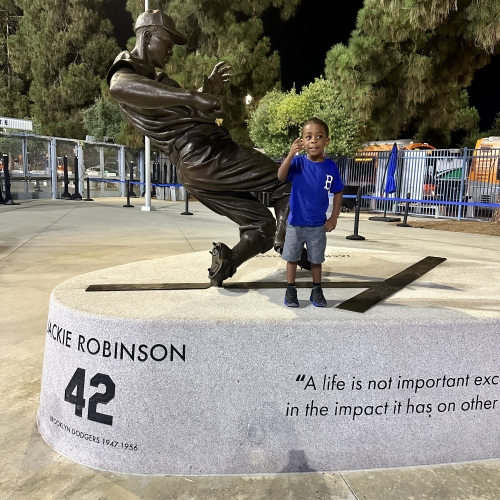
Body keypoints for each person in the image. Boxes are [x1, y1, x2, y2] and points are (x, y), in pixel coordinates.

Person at [107, 9, 294, 284]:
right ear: (146, 36)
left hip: (194, 168)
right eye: (167, 42)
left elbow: (185, 111)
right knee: (287, 179)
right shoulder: (127, 69)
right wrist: (194, 97)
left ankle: (228, 262)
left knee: (260, 224)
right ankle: (287, 238)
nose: (171, 50)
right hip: (207, 153)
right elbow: (118, 87)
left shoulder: (156, 81)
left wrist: (208, 91)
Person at [277, 118, 344, 307]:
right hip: (296, 222)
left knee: (316, 260)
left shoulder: (330, 167)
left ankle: (317, 290)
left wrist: (334, 217)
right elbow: (281, 176)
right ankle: (290, 290)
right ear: (302, 141)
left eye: (319, 136)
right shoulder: (298, 162)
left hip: (317, 225)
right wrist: (290, 154)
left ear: (327, 141)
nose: (313, 141)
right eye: (308, 137)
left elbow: (338, 191)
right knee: (292, 258)